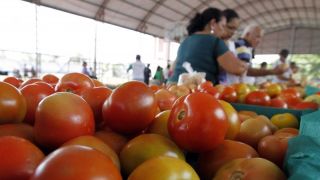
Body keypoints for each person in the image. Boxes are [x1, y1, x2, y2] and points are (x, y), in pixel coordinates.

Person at [169, 7, 248, 85]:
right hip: (195, 90)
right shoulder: (215, 41)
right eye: (223, 26)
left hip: (172, 86)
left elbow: (173, 68)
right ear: (213, 23)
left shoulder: (186, 40)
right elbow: (236, 69)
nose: (223, 30)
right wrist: (243, 65)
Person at [218, 9, 241, 84]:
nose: (233, 32)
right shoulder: (213, 43)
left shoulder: (231, 44)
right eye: (230, 27)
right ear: (222, 24)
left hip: (230, 88)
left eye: (235, 29)